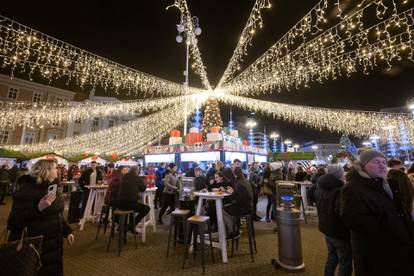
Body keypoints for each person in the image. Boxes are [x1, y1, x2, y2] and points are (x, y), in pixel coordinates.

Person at [341, 150, 414, 276]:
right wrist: (388, 225)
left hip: (397, 248)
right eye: (376, 162)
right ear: (363, 166)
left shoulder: (386, 184)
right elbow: (352, 219)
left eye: (384, 162)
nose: (382, 165)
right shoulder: (353, 188)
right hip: (376, 252)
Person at [7, 159, 74, 276]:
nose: (57, 171)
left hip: (54, 245)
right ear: (46, 171)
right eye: (55, 168)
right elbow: (13, 222)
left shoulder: (52, 187)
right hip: (34, 245)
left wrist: (66, 231)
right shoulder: (26, 190)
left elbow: (56, 214)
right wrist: (38, 208)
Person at [316, 164, 352, 276]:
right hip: (339, 230)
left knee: (332, 256)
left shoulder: (320, 186)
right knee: (345, 261)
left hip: (326, 227)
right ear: (340, 175)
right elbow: (341, 213)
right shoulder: (340, 189)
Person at [222, 166, 254, 239]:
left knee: (223, 210)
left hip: (245, 208)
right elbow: (242, 195)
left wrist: (232, 193)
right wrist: (233, 191)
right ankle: (234, 229)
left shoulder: (239, 182)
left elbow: (241, 198)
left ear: (234, 173)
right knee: (227, 207)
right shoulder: (243, 180)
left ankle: (234, 231)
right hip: (249, 206)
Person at [116, 166, 150, 232]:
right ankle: (130, 226)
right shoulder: (137, 178)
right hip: (129, 204)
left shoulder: (124, 177)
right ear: (137, 171)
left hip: (119, 203)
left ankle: (126, 227)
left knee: (134, 207)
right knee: (146, 208)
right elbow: (143, 188)